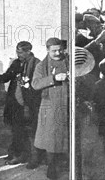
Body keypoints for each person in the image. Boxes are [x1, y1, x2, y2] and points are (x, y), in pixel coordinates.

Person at [30, 37, 69, 180]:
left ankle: (67, 162)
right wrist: (53, 78)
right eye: (54, 51)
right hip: (51, 105)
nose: (58, 53)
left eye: (60, 50)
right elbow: (35, 84)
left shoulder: (69, 61)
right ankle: (51, 166)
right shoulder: (41, 66)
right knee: (52, 138)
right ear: (47, 50)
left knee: (67, 135)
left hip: (68, 104)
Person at [0, 41, 42, 165]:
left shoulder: (36, 64)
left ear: (28, 51)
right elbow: (6, 77)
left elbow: (36, 85)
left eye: (21, 52)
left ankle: (31, 157)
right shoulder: (16, 63)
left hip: (29, 104)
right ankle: (18, 154)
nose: (18, 54)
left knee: (29, 130)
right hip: (14, 103)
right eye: (17, 52)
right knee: (16, 129)